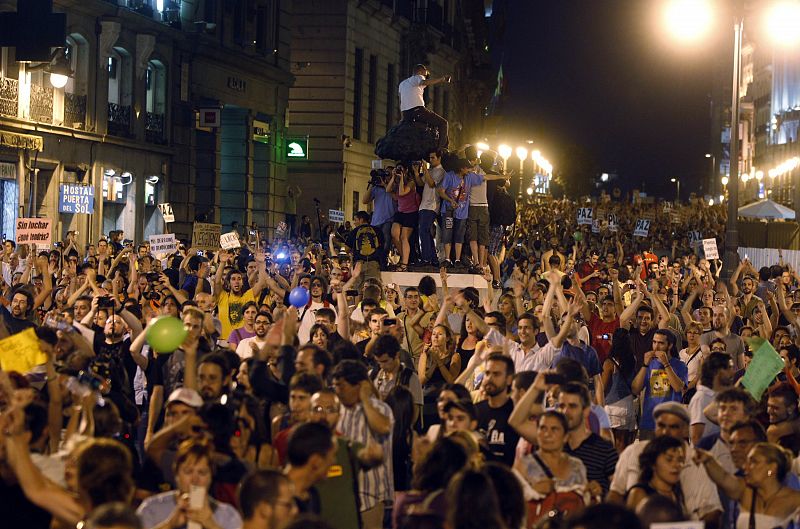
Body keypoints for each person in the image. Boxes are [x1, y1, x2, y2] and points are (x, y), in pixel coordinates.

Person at [331, 360, 394, 529]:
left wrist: (365, 398)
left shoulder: (379, 408)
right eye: (335, 386)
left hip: (370, 497)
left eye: (342, 386)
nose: (338, 391)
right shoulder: (337, 411)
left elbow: (383, 427)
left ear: (358, 385)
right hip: (342, 497)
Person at [136, 440, 242, 529]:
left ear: (211, 476)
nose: (195, 480)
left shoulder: (228, 515)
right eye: (188, 472)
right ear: (176, 475)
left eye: (202, 473)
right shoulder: (151, 508)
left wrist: (210, 523)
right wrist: (170, 524)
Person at [694, 442, 800, 529]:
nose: (745, 467)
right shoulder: (744, 491)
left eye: (753, 462)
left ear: (772, 468)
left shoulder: (795, 500)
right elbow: (723, 477)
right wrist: (708, 460)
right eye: (747, 462)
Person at [514, 411, 587, 524]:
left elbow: (582, 505)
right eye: (543, 428)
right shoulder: (523, 465)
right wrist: (532, 492)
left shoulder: (577, 466)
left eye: (554, 429)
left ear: (566, 437)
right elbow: (511, 504)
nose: (547, 434)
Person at [558, 382, 618, 497]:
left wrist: (600, 492)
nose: (565, 412)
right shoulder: (553, 445)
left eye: (572, 406)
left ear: (585, 411)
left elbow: (618, 491)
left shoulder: (604, 449)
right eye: (561, 406)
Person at [631, 329, 688, 439]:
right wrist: (644, 365)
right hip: (649, 422)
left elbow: (678, 388)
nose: (656, 347)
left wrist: (666, 364)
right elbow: (635, 389)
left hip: (671, 423)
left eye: (661, 343)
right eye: (654, 342)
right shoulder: (649, 364)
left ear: (670, 345)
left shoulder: (680, 365)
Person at [475, 353, 520, 467]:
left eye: (496, 374)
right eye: (487, 373)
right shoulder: (476, 410)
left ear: (509, 379)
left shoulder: (517, 412)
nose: (489, 378)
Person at [626, 435, 687, 515]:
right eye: (669, 459)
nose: (676, 465)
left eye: (680, 460)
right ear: (653, 463)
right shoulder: (639, 494)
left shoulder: (677, 492)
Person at [285, 422, 337, 515]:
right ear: (316, 461)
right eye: (332, 456)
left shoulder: (312, 495)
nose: (334, 462)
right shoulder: (277, 501)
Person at [398, 64, 450, 149]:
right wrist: (442, 79)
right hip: (418, 110)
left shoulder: (402, 84)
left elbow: (400, 101)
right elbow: (424, 82)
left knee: (430, 126)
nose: (425, 77)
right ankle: (442, 149)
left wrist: (402, 117)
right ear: (419, 72)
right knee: (443, 123)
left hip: (406, 114)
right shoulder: (418, 77)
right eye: (425, 75)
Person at [688, 352, 735, 445]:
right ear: (717, 371)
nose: (733, 372)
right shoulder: (701, 398)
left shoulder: (720, 396)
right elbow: (696, 437)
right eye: (729, 368)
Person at [418, 150, 445, 267]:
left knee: (423, 230)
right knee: (425, 231)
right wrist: (416, 172)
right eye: (430, 158)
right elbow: (420, 183)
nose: (430, 160)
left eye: (433, 158)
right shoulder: (430, 171)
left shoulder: (441, 171)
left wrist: (425, 169)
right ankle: (432, 258)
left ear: (439, 158)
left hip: (432, 205)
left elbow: (431, 184)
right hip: (424, 205)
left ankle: (427, 258)